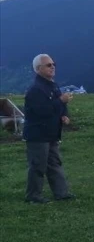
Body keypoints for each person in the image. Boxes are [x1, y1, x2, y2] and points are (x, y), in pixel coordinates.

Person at [22, 54, 77, 203]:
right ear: (38, 69)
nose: (53, 66)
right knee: (38, 165)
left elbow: (60, 106)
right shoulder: (35, 89)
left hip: (52, 132)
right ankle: (33, 196)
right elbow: (43, 111)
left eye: (53, 64)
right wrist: (61, 101)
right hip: (38, 134)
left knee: (54, 163)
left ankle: (61, 193)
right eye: (48, 65)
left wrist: (64, 115)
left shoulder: (53, 85)